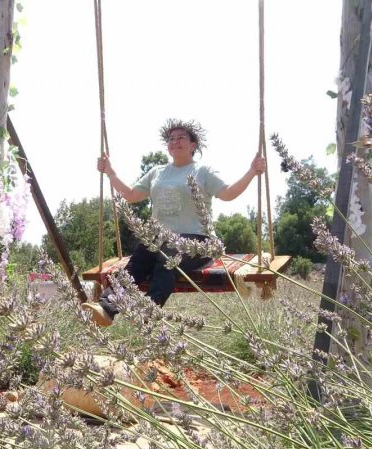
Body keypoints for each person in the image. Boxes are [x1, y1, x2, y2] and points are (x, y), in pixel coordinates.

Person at [81, 118, 266, 326]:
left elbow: (228, 193)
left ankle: (147, 313)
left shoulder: (202, 172)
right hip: (158, 240)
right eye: (171, 139)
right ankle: (106, 309)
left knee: (168, 259)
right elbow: (131, 195)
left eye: (181, 138)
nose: (175, 141)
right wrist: (110, 173)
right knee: (138, 260)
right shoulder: (157, 173)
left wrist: (252, 171)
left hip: (197, 242)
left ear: (193, 145)